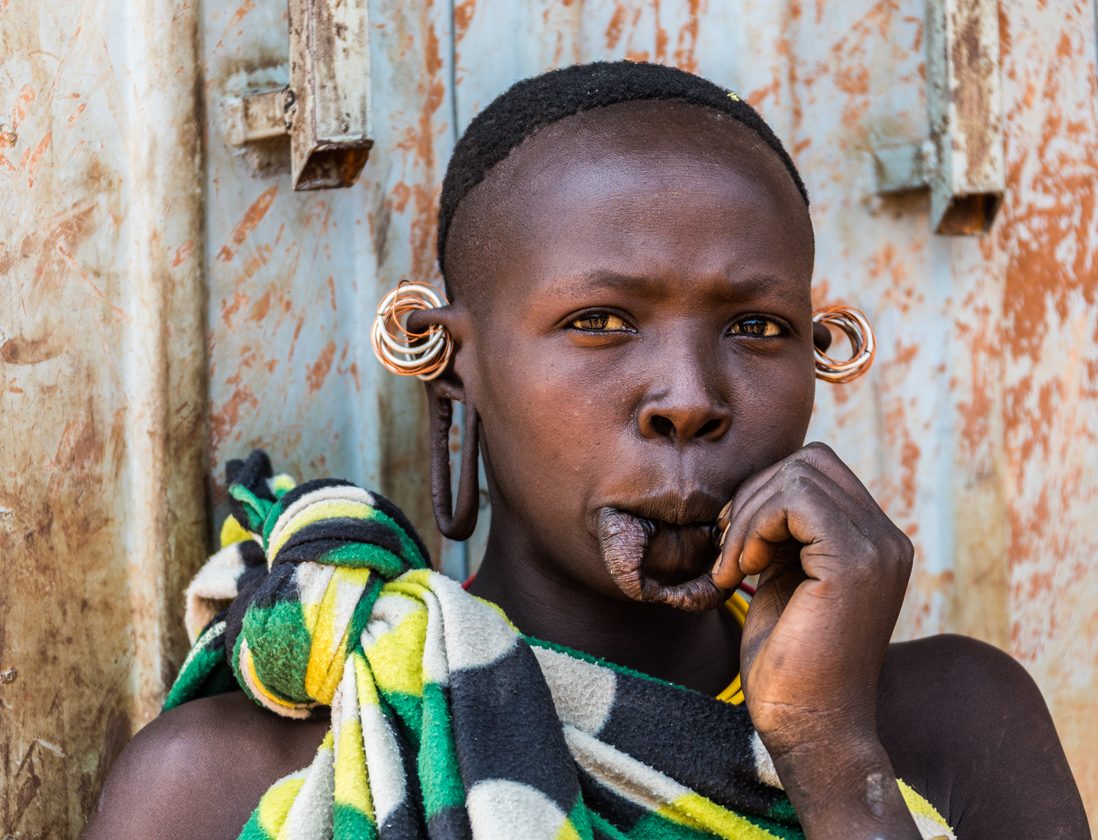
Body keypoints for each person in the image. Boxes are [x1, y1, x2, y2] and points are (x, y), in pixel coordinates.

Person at [85, 61, 1088, 839]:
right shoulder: (230, 780)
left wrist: (833, 759)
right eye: (601, 322)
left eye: (757, 328)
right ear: (452, 370)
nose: (689, 399)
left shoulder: (948, 723)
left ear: (820, 357)